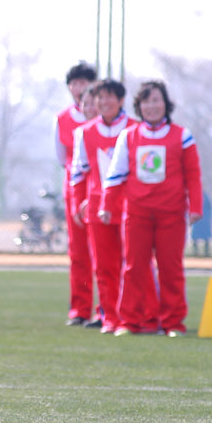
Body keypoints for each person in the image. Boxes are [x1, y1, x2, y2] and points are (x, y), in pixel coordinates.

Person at [100, 81, 203, 336]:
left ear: (165, 104)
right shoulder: (129, 136)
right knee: (134, 269)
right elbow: (116, 174)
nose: (152, 106)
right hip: (136, 213)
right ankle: (129, 322)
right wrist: (107, 205)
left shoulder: (182, 136)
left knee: (171, 269)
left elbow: (193, 175)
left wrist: (195, 207)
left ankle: (172, 323)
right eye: (146, 101)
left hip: (172, 214)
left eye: (156, 100)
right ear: (139, 106)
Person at [70, 79, 131, 333]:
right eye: (99, 98)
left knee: (134, 265)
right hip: (97, 206)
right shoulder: (84, 132)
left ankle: (138, 316)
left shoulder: (134, 129)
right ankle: (111, 318)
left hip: (129, 206)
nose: (104, 103)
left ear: (120, 100)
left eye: (109, 97)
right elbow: (78, 172)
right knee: (104, 267)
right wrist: (78, 203)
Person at [55, 61, 98, 326]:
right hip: (75, 189)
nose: (79, 88)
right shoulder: (62, 119)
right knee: (78, 252)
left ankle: (108, 309)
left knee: (107, 253)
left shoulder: (111, 116)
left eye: (84, 82)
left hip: (104, 191)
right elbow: (62, 157)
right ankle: (80, 309)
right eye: (75, 83)